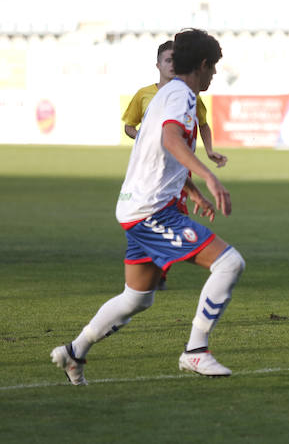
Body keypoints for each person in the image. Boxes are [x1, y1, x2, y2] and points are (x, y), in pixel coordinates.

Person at [51, 29, 245, 384]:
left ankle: (73, 352)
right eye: (213, 68)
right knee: (229, 263)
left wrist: (194, 192)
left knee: (137, 298)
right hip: (151, 211)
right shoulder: (182, 97)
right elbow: (171, 140)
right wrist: (209, 178)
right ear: (202, 65)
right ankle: (195, 351)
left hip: (139, 207)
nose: (214, 75)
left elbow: (158, 154)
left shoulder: (165, 95)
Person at [122, 40, 227, 168]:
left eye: (175, 61)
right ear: (158, 65)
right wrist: (146, 137)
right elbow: (129, 126)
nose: (172, 65)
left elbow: (203, 124)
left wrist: (209, 150)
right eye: (168, 61)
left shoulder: (191, 95)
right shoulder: (144, 94)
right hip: (152, 164)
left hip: (181, 165)